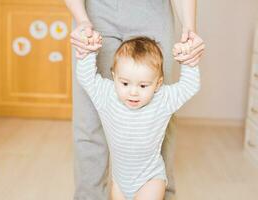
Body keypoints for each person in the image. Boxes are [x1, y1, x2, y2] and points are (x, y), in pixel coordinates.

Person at [64, 0, 205, 199]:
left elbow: (188, 86)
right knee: (88, 121)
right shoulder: (106, 93)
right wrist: (84, 31)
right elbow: (87, 78)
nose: (133, 93)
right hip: (95, 10)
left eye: (142, 87)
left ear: (159, 83)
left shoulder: (163, 97)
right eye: (124, 85)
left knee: (161, 115)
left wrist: (189, 38)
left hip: (153, 10)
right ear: (114, 77)